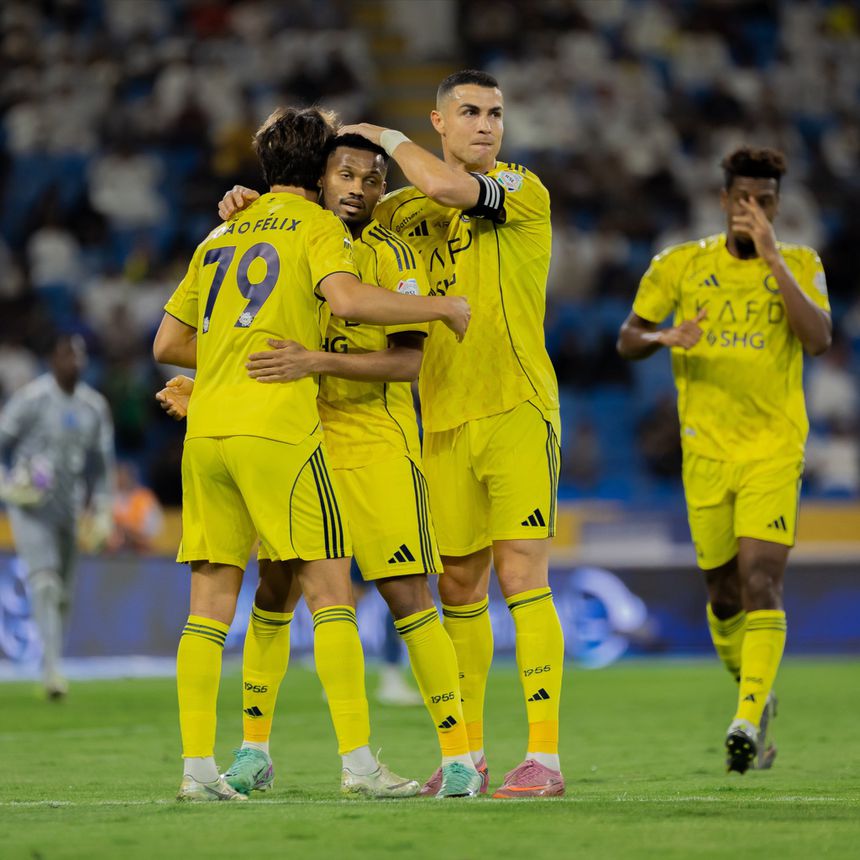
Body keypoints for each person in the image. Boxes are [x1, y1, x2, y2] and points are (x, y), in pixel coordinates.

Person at [219, 69, 566, 799]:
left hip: (515, 407)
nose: (485, 125)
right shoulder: (397, 214)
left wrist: (384, 134)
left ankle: (543, 756)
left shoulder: (520, 189)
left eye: (494, 113)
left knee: (520, 575)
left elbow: (442, 186)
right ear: (442, 123)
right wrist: (256, 203)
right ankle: (469, 754)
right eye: (469, 112)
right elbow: (324, 218)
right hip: (439, 419)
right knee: (458, 585)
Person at [152, 106, 469, 802]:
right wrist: (230, 375)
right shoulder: (305, 231)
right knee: (281, 591)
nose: (357, 187)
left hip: (370, 441)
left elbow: (407, 364)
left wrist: (290, 366)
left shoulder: (390, 252)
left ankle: (460, 756)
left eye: (371, 178)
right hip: (293, 437)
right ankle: (260, 753)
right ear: (321, 175)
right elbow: (293, 321)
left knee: (403, 593)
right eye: (344, 173)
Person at [616, 146, 832, 773]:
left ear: (778, 207)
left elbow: (819, 339)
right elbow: (627, 338)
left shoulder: (800, 263)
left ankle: (745, 716)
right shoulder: (680, 264)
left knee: (762, 580)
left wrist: (772, 259)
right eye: (742, 198)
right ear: (723, 200)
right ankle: (755, 697)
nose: (751, 209)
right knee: (724, 595)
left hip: (772, 451)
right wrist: (663, 335)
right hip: (705, 452)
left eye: (764, 201)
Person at [0, 333, 115, 699]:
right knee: (45, 583)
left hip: (69, 507)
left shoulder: (94, 406)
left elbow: (102, 464)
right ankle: (51, 671)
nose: (74, 362)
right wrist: (6, 484)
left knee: (63, 593)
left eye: (79, 356)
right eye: (67, 355)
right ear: (53, 360)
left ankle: (53, 660)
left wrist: (103, 508)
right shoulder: (31, 399)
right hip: (30, 507)